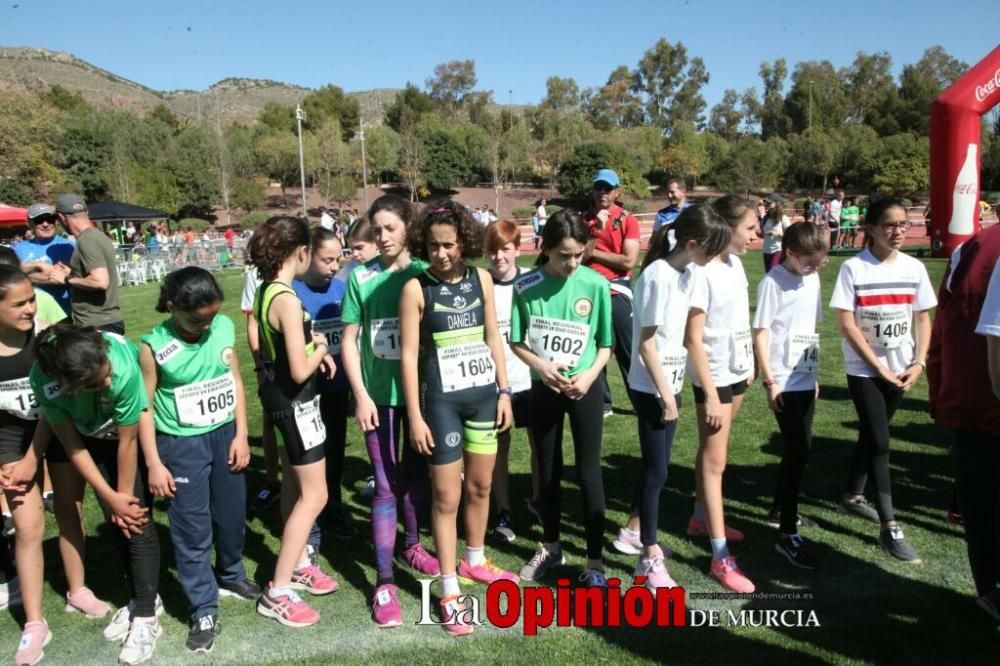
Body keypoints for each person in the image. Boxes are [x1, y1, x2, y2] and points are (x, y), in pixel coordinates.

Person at [400, 202, 516, 635]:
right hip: (442, 404)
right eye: (432, 245)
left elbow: (493, 337)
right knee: (447, 497)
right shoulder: (416, 287)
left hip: (484, 398)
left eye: (448, 244)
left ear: (463, 242)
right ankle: (449, 590)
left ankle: (475, 559)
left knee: (482, 486)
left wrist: (504, 391)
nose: (441, 253)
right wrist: (415, 415)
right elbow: (409, 356)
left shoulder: (481, 278)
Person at [137, 267, 259, 653]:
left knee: (232, 513)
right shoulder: (153, 346)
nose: (205, 325)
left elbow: (235, 381)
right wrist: (154, 462)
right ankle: (203, 607)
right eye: (195, 319)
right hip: (180, 445)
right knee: (192, 530)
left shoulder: (222, 327)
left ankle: (231, 573)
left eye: (210, 316)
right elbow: (144, 406)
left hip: (225, 436)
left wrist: (241, 434)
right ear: (172, 306)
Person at [611, 206, 731, 587]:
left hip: (671, 384)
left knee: (654, 469)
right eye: (711, 250)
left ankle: (634, 534)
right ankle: (648, 558)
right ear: (693, 243)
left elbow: (683, 333)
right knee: (658, 470)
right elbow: (645, 345)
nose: (713, 259)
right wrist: (666, 395)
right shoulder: (657, 277)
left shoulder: (689, 273)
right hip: (653, 389)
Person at [31, 324, 163, 665]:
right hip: (86, 436)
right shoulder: (45, 379)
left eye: (105, 376)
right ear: (66, 385)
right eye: (96, 383)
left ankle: (147, 616)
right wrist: (109, 497)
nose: (107, 383)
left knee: (134, 519)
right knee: (113, 516)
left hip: (123, 437)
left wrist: (122, 496)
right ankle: (140, 600)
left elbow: (128, 440)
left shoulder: (120, 367)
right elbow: (71, 444)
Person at [340, 194, 439, 628]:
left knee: (416, 482)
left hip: (422, 399)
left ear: (407, 227)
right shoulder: (361, 277)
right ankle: (383, 582)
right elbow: (347, 340)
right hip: (378, 398)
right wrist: (360, 394)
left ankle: (412, 546)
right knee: (384, 487)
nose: (381, 237)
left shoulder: (424, 273)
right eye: (376, 229)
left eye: (390, 229)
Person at [830, 197, 936, 564]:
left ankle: (852, 495)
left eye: (903, 224)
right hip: (865, 369)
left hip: (902, 368)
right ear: (871, 228)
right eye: (890, 224)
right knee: (880, 440)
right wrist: (878, 368)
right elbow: (846, 323)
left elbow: (922, 317)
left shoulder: (914, 268)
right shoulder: (853, 269)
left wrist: (919, 363)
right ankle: (890, 526)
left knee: (873, 434)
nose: (899, 231)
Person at [511, 209, 613, 588]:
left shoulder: (595, 285)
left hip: (584, 388)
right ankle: (551, 546)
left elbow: (605, 343)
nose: (572, 263)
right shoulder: (527, 286)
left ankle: (595, 561)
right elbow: (516, 340)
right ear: (545, 248)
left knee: (589, 473)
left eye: (578, 254)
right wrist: (541, 366)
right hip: (546, 389)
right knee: (548, 470)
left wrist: (588, 377)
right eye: (563, 255)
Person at [249, 216, 339, 628]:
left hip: (280, 396)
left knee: (293, 485)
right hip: (295, 400)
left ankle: (299, 560)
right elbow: (302, 369)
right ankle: (278, 589)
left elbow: (284, 352)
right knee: (315, 496)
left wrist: (313, 349)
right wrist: (320, 346)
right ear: (301, 252)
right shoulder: (286, 298)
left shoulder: (269, 290)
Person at [685, 194, 759, 593]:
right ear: (728, 228)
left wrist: (748, 364)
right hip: (712, 378)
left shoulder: (734, 265)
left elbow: (736, 320)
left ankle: (700, 516)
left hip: (735, 372)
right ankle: (720, 557)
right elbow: (692, 339)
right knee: (717, 463)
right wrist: (711, 393)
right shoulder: (702, 273)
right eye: (750, 228)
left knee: (712, 453)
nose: (756, 235)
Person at [927, 221, 1000, 624]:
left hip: (967, 399)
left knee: (979, 508)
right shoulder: (975, 249)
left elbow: (945, 327)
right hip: (979, 396)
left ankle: (988, 589)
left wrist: (940, 390)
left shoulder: (972, 247)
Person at [753, 222, 829, 571]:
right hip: (782, 379)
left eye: (819, 262)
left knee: (801, 450)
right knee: (799, 449)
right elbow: (762, 333)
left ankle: (782, 508)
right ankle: (786, 534)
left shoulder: (811, 279)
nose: (814, 268)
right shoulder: (773, 282)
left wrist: (812, 375)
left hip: (803, 377)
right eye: (809, 262)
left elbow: (810, 329)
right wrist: (770, 381)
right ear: (790, 253)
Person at [0, 266, 57, 664]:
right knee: (28, 527)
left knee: (69, 513)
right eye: (19, 303)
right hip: (10, 441)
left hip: (57, 430)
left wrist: (33, 458)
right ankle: (35, 622)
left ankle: (78, 588)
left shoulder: (46, 334)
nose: (30, 308)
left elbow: (54, 408)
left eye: (32, 299)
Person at [292, 228, 356, 539]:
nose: (334, 266)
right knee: (308, 456)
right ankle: (308, 514)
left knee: (334, 453)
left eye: (338, 258)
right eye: (326, 260)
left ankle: (333, 508)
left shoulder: (343, 289)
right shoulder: (292, 292)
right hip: (305, 392)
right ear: (307, 255)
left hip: (337, 388)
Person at [484, 220, 537, 543]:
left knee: (538, 446)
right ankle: (503, 509)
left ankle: (537, 501)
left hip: (530, 378)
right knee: (498, 449)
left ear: (518, 249)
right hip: (494, 383)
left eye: (505, 249)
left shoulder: (533, 281)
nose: (498, 257)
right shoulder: (480, 283)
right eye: (492, 250)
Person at [583, 168, 640, 417]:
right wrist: (596, 231)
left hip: (617, 291)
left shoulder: (628, 219)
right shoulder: (584, 219)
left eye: (608, 188)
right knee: (595, 351)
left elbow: (629, 262)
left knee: (628, 351)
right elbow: (577, 256)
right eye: (598, 188)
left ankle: (640, 401)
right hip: (590, 292)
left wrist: (593, 252)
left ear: (617, 191)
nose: (602, 193)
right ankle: (603, 403)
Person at [47, 195, 123, 334]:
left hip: (97, 324)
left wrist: (66, 279)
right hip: (103, 322)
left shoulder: (87, 240)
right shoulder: (96, 236)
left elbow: (100, 281)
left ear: (62, 217)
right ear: (86, 212)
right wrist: (74, 271)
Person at [242, 265, 282, 514]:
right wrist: (259, 364)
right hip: (269, 364)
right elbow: (252, 323)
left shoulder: (299, 269)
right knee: (270, 419)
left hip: (300, 362)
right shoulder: (254, 276)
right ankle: (272, 480)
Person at [15, 203, 75, 314]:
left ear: (56, 221)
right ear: (30, 223)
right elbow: (12, 276)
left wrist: (26, 275)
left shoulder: (67, 246)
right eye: (39, 220)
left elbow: (59, 280)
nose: (46, 224)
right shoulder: (19, 248)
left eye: (50, 219)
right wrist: (40, 267)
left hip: (61, 312)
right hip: (29, 312)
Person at [760, 199, 791, 273]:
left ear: (776, 206)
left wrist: (777, 234)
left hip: (778, 249)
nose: (767, 205)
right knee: (768, 273)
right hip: (766, 250)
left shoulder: (783, 218)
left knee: (772, 271)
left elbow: (790, 234)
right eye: (767, 204)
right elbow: (762, 233)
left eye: (770, 203)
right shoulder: (765, 218)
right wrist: (762, 233)